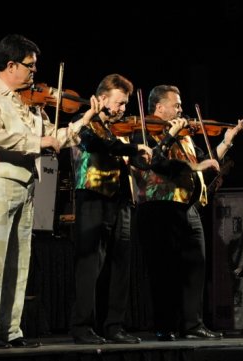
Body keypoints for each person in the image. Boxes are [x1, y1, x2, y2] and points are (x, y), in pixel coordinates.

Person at [0, 34, 97, 348]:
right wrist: (38, 142)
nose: (34, 73)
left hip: (26, 185)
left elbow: (55, 138)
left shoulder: (30, 103)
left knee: (19, 263)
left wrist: (86, 119)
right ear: (11, 65)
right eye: (29, 66)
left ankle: (10, 331)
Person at [133, 84, 243, 341]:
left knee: (196, 265)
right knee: (164, 271)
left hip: (187, 207)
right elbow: (158, 163)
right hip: (159, 207)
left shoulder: (185, 136)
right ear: (159, 107)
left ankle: (193, 325)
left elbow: (207, 161)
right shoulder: (144, 131)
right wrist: (172, 137)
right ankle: (165, 325)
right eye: (177, 104)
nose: (181, 109)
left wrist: (226, 142)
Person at [69, 74, 152, 345]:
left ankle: (114, 325)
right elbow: (95, 145)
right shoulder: (84, 123)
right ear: (102, 99)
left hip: (120, 200)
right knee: (90, 265)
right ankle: (82, 326)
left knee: (120, 266)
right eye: (119, 103)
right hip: (93, 197)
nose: (122, 110)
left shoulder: (117, 130)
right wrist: (131, 147)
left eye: (125, 104)